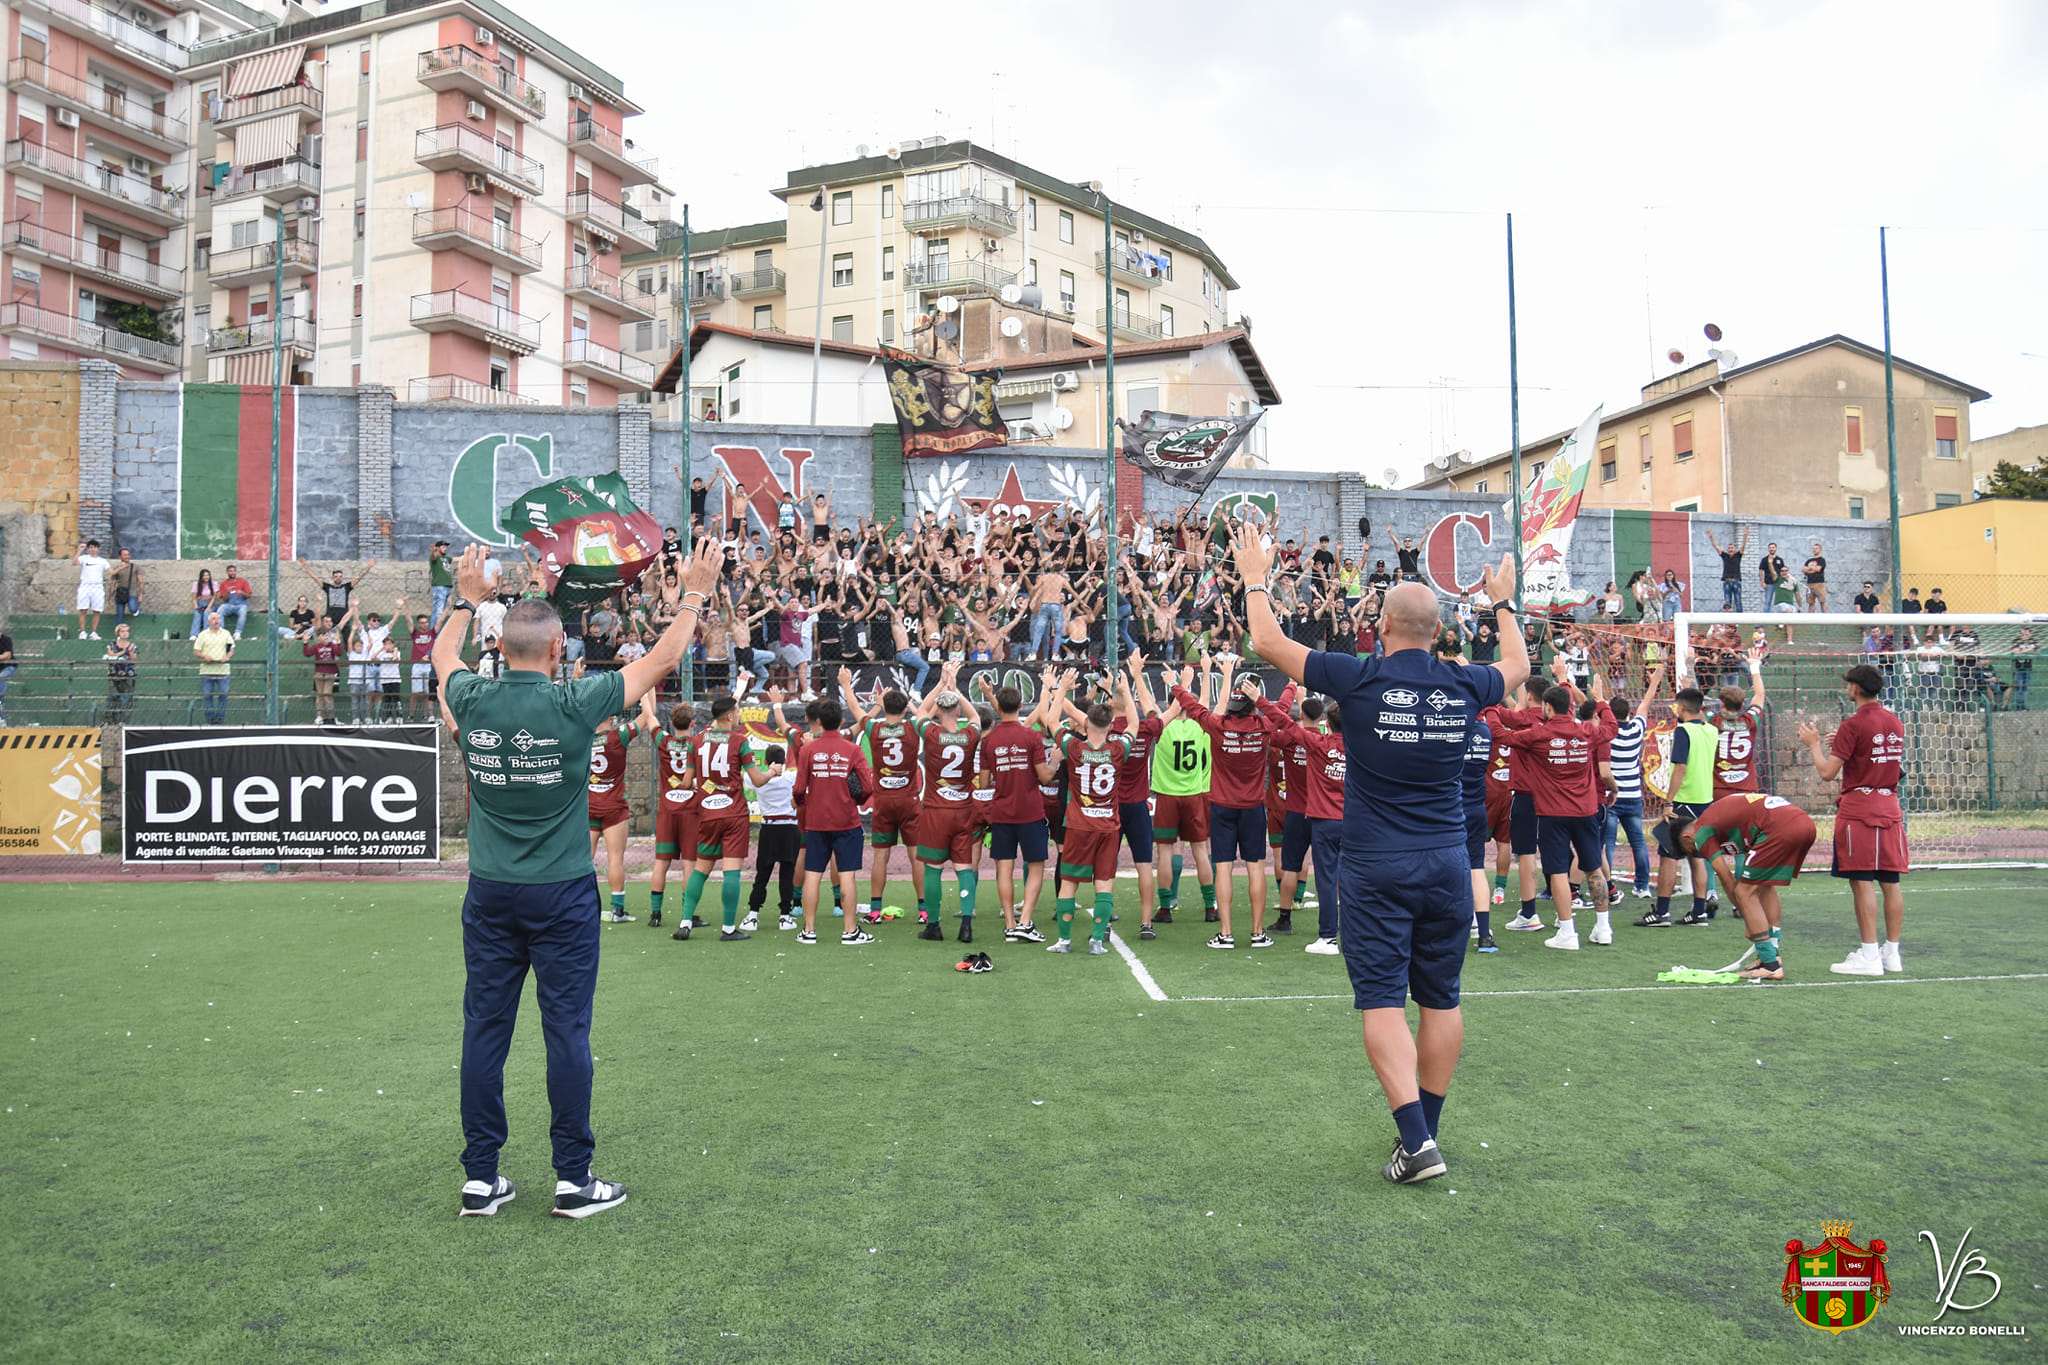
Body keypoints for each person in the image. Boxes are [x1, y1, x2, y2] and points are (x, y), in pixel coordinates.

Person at [434, 537, 723, 1220]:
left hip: (491, 891)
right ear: (558, 650)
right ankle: (572, 1178)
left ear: (501, 651)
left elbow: (443, 658)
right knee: (566, 1031)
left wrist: (464, 599)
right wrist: (693, 591)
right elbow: (664, 659)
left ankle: (481, 1178)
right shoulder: (573, 703)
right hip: (561, 892)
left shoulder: (472, 698)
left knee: (485, 1028)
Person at [1229, 521, 1527, 1185]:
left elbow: (1268, 641)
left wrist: (1255, 575)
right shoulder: (1464, 683)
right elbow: (1519, 667)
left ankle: (1418, 1142)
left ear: (1383, 623)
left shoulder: (1359, 679)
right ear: (1438, 631)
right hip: (1449, 862)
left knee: (1383, 1001)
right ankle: (1422, 1135)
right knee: (1442, 999)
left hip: (1374, 865)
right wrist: (1502, 602)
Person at [1169, 667, 1295, 951]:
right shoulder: (1263, 727)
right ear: (1253, 702)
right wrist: (1289, 686)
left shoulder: (1217, 725)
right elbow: (1283, 711)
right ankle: (1257, 932)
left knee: (1223, 868)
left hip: (1222, 807)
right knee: (1255, 869)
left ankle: (1225, 934)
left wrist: (1176, 685)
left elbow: (1193, 707)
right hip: (1252, 809)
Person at [1494, 664, 1618, 949]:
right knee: (1593, 868)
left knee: (1559, 872)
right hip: (1586, 810)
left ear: (1547, 707)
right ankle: (1603, 928)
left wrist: (1489, 710)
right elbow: (1611, 727)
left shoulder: (1539, 734)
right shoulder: (1586, 731)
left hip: (1552, 813)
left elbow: (1503, 736)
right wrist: (1600, 700)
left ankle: (1567, 932)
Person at [1798, 664, 1908, 976]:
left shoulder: (1853, 724)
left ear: (1855, 689)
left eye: (1848, 684)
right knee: (1891, 881)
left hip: (1859, 809)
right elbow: (1877, 757)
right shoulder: (1895, 722)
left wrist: (1815, 745)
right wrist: (1842, 744)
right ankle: (1892, 954)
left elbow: (1827, 773)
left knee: (1860, 881)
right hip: (1890, 806)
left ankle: (1870, 956)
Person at [1654, 792, 1817, 982]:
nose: (1698, 853)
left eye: (1691, 850)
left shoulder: (1701, 833)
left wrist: (1750, 922)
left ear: (1688, 837)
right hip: (1803, 823)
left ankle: (1770, 964)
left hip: (1779, 828)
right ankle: (1772, 955)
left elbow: (1727, 879)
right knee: (1765, 886)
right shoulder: (1713, 819)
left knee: (1744, 891)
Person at [672, 694, 772, 943]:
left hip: (707, 813)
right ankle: (728, 928)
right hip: (734, 814)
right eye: (737, 711)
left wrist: (699, 787)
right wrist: (773, 770)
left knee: (701, 869)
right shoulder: (740, 741)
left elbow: (686, 782)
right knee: (731, 872)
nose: (738, 715)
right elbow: (757, 780)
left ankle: (685, 922)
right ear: (729, 715)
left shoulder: (696, 741)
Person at [1255, 687, 1346, 954]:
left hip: (1297, 810)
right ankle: (1343, 921)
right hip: (1336, 815)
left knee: (1291, 865)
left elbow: (1276, 726)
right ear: (1324, 721)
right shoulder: (1340, 744)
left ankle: (1285, 918)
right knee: (1336, 871)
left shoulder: (1300, 741)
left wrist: (1286, 695)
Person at [1044, 697, 1132, 955]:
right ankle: (1096, 941)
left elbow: (1050, 720)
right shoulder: (1117, 749)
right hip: (1108, 827)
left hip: (1079, 826)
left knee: (1069, 882)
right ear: (1112, 724)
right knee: (1104, 884)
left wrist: (1059, 688)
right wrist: (1128, 685)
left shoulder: (1074, 747)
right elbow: (1134, 725)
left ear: (1086, 723)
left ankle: (1064, 940)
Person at [843, 674, 929, 928]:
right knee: (917, 857)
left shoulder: (875, 729)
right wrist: (945, 684)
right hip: (909, 800)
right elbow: (927, 708)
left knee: (881, 856)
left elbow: (855, 708)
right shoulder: (913, 727)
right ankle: (923, 910)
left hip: (883, 801)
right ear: (904, 709)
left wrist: (848, 685)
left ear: (886, 707)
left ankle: (876, 909)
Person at [792, 698, 876, 946]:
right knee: (847, 875)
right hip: (846, 821)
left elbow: (799, 788)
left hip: (816, 821)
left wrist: (801, 801)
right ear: (841, 722)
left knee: (813, 874)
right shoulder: (853, 749)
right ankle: (850, 931)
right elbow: (868, 786)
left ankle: (809, 930)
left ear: (818, 721)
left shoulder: (808, 750)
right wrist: (857, 797)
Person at [911, 665, 984, 944]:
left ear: (940, 712)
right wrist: (955, 690)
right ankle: (966, 925)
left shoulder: (931, 734)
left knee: (934, 868)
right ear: (958, 712)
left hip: (936, 810)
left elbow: (920, 712)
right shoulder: (969, 735)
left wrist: (940, 686)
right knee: (964, 868)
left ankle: (934, 925)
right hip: (963, 811)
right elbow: (975, 715)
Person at [1635, 686, 1717, 929]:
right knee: (1697, 855)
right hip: (1705, 800)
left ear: (1681, 708)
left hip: (1684, 800)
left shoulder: (1683, 731)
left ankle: (1662, 912)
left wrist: (1668, 801)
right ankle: (1699, 911)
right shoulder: (1711, 730)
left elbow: (1680, 767)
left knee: (1668, 856)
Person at [978, 682, 1054, 942]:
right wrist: (1056, 760)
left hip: (1001, 813)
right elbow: (1045, 777)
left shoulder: (988, 741)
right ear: (1021, 705)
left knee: (1004, 869)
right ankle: (1025, 922)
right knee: (1035, 867)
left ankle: (1010, 924)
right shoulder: (1031, 736)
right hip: (1030, 812)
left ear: (999, 707)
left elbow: (984, 783)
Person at [587, 694, 655, 925]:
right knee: (615, 858)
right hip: (614, 806)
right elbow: (648, 715)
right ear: (609, 717)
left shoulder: (582, 737)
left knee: (585, 860)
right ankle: (617, 910)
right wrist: (647, 689)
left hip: (588, 806)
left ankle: (582, 908)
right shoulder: (618, 737)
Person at [746, 744, 800, 931]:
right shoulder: (791, 777)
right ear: (784, 761)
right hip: (789, 828)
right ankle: (785, 915)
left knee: (763, 873)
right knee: (787, 873)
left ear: (767, 761)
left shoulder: (758, 779)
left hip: (769, 829)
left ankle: (753, 914)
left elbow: (743, 774)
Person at [303, 608, 348, 724]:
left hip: (330, 673)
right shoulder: (317, 646)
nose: (325, 637)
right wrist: (305, 642)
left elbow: (339, 653)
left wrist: (337, 642)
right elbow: (307, 653)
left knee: (327, 694)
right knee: (320, 694)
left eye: (327, 635)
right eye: (323, 635)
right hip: (319, 672)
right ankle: (320, 716)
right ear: (319, 637)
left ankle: (331, 716)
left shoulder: (332, 645)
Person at [191, 611, 235, 724]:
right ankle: (210, 720)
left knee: (223, 695)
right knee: (207, 696)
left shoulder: (226, 634)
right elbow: (196, 651)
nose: (216, 621)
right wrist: (204, 656)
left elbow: (231, 648)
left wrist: (227, 657)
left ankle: (220, 719)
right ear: (209, 621)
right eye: (214, 619)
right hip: (207, 669)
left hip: (223, 670)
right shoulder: (203, 635)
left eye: (218, 619)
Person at [74, 539, 110, 640]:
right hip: (85, 586)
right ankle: (82, 632)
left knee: (97, 610)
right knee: (83, 610)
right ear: (88, 549)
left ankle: (93, 632)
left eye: (95, 547)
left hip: (97, 587)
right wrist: (79, 551)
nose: (93, 549)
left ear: (98, 549)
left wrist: (120, 568)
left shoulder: (102, 561)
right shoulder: (84, 558)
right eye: (91, 547)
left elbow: (111, 571)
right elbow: (74, 562)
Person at [1707, 525, 1750, 611]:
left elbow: (1743, 546)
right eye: (1729, 548)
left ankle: (1740, 620)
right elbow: (1716, 547)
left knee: (1738, 601)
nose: (1730, 549)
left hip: (1736, 581)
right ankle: (1728, 621)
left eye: (1732, 548)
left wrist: (1745, 535)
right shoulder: (1725, 556)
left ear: (1735, 549)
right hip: (1727, 581)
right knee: (1727, 602)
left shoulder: (1738, 556)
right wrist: (1711, 537)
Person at [103, 624, 137, 724]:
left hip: (128, 675)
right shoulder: (112, 645)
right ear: (118, 633)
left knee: (127, 698)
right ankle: (111, 721)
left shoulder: (132, 646)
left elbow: (134, 659)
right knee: (112, 697)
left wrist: (129, 652)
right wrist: (122, 652)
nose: (125, 633)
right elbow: (111, 655)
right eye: (122, 631)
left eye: (127, 631)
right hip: (114, 674)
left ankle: (124, 721)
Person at [217, 564, 255, 638]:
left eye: (234, 571)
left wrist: (242, 593)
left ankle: (237, 633)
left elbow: (249, 596)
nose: (232, 573)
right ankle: (221, 632)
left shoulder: (243, 581)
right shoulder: (224, 584)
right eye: (230, 571)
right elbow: (224, 599)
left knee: (243, 611)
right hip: (229, 604)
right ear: (227, 572)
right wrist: (227, 592)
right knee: (220, 610)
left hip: (241, 604)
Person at [109, 549, 143, 629]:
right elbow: (113, 584)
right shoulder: (117, 568)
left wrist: (141, 594)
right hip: (120, 594)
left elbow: (141, 581)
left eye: (128, 554)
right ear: (120, 556)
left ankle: (137, 611)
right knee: (120, 616)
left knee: (133, 609)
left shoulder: (135, 567)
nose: (127, 557)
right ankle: (119, 634)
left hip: (132, 593)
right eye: (124, 555)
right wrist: (110, 598)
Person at [428, 540, 455, 625]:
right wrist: (433, 551)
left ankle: (438, 632)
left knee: (443, 612)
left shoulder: (447, 558)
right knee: (438, 611)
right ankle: (435, 634)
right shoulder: (436, 558)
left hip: (447, 588)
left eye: (446, 547)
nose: (445, 548)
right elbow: (433, 557)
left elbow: (456, 559)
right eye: (443, 547)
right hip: (440, 587)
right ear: (437, 548)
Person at [189, 568, 216, 640]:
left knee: (207, 613)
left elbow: (213, 597)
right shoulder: (196, 584)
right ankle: (194, 635)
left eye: (208, 575)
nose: (206, 577)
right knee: (197, 614)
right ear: (201, 577)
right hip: (199, 603)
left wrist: (208, 607)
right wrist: (197, 607)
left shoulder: (213, 584)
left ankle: (205, 634)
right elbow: (194, 598)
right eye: (204, 575)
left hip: (210, 604)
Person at [1802, 543, 1828, 613]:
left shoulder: (1821, 560)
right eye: (1813, 549)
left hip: (1819, 583)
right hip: (1809, 584)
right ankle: (1810, 620)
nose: (1814, 550)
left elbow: (1818, 569)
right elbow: (1804, 570)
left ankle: (1826, 619)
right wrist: (1812, 569)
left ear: (1820, 550)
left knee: (1822, 601)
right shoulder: (1809, 560)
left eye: (1816, 548)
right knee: (1811, 602)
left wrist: (1809, 569)